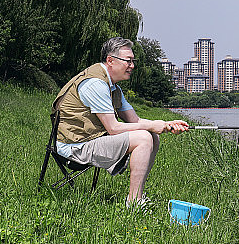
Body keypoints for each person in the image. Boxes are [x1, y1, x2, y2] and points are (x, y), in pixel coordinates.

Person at [53, 37, 189, 207]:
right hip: (74, 147)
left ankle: (138, 195)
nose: (132, 66)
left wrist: (166, 124)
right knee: (143, 138)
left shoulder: (113, 88)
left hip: (90, 140)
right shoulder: (95, 84)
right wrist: (151, 125)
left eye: (133, 61)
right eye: (128, 61)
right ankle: (134, 202)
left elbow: (135, 120)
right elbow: (113, 128)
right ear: (110, 60)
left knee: (153, 136)